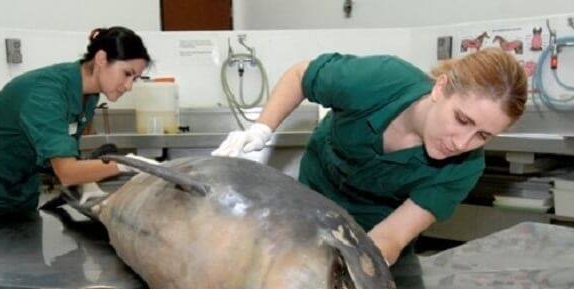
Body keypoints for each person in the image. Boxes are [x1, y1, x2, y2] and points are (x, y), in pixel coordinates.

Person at [213, 47, 527, 265]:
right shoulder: (379, 80)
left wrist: (348, 271)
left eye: (483, 135)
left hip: (374, 234)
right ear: (440, 88)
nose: (462, 143)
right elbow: (301, 76)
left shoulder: (464, 167)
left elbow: (390, 236)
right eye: (462, 120)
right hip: (313, 199)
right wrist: (261, 129)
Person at [0, 26, 151, 221]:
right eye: (127, 73)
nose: (129, 86)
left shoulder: (88, 96)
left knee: (23, 241)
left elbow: (62, 150)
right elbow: (67, 171)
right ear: (101, 58)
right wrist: (127, 165)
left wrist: (88, 184)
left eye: (136, 78)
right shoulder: (46, 93)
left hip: (21, 178)